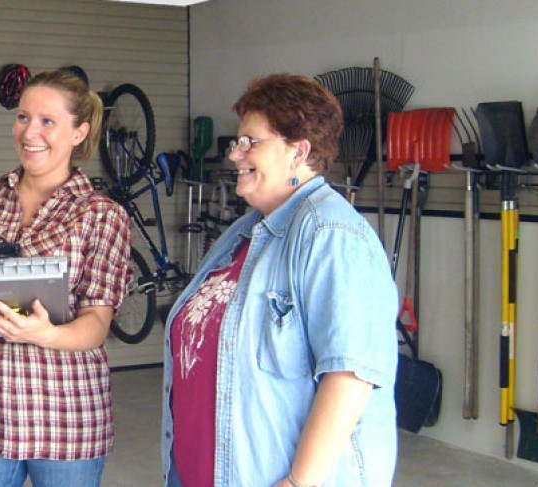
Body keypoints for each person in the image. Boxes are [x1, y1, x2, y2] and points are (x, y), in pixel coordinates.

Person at [160, 73, 398, 487]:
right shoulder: (244, 233)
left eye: (251, 142)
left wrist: (298, 483)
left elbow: (350, 377)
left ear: (298, 151)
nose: (236, 154)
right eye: (238, 143)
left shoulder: (332, 235)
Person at [0, 70, 133, 487]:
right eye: (23, 117)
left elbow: (96, 324)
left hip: (63, 413)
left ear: (79, 133)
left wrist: (44, 334)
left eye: (47, 121)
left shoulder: (102, 215)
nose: (30, 132)